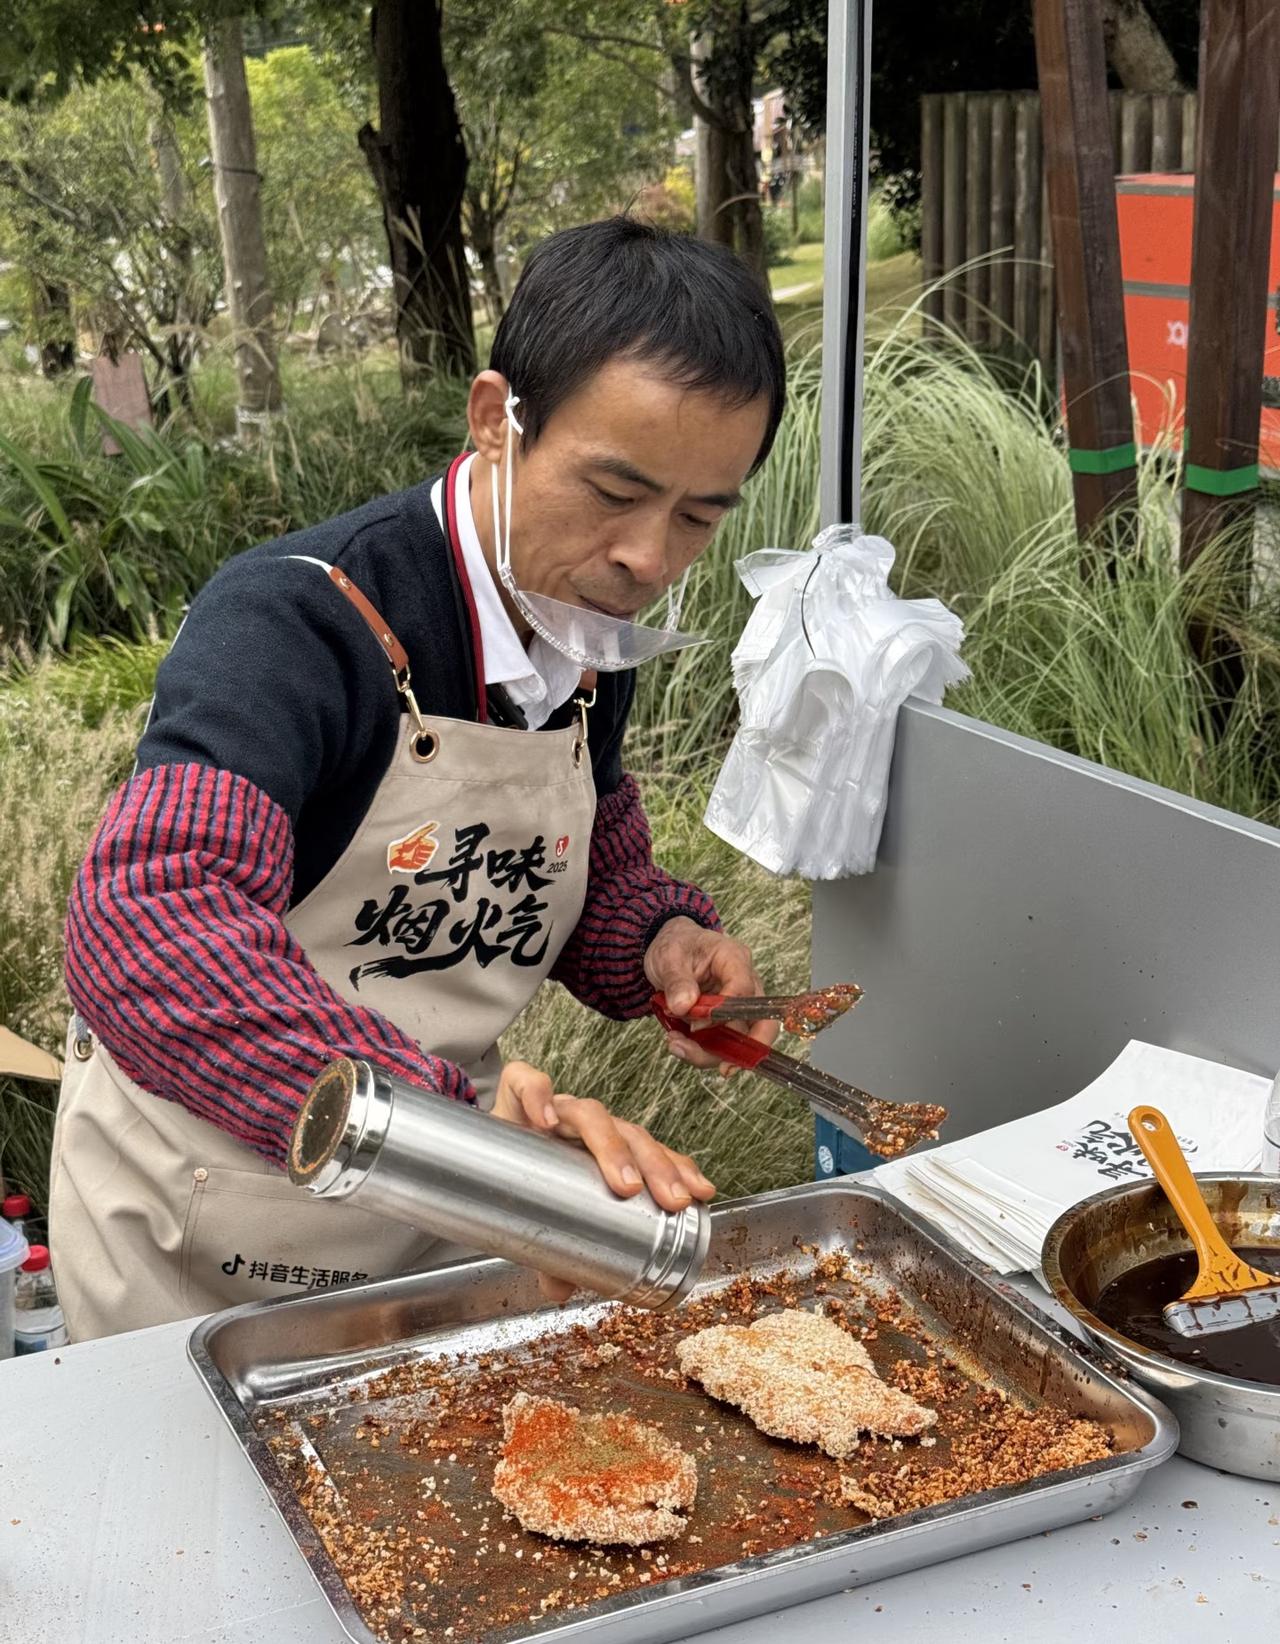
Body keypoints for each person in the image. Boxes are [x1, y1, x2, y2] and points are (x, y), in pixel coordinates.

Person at [50, 216, 787, 1340]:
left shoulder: (580, 627)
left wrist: (653, 942)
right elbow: (146, 921)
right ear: (496, 420)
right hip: (202, 1216)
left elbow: (564, 855)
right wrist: (459, 1127)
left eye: (697, 516)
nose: (647, 558)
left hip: (433, 1215)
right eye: (612, 490)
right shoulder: (296, 624)